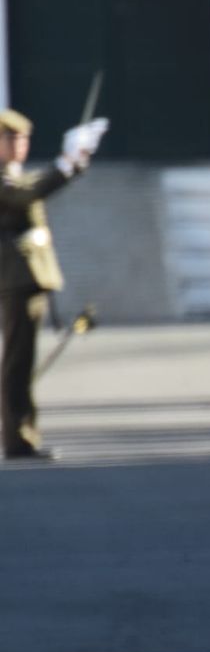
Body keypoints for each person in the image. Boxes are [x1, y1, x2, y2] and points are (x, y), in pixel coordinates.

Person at [0, 109, 107, 460]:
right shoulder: (5, 179)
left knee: (21, 360)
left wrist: (74, 163)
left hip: (25, 278)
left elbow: (32, 188)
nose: (19, 145)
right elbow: (25, 196)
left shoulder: (13, 175)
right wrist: (66, 163)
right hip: (13, 279)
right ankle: (18, 439)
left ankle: (22, 435)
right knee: (17, 361)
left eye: (23, 139)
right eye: (11, 139)